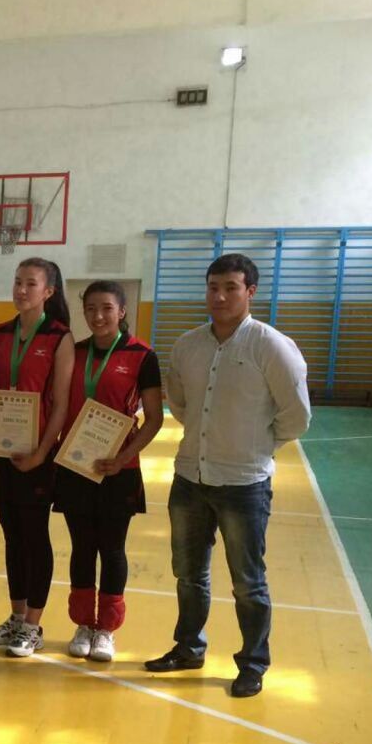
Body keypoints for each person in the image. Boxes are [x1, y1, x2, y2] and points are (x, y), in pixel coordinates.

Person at [145, 253, 310, 698]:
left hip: (245, 485)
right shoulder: (187, 346)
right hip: (189, 478)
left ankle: (253, 663)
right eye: (213, 287)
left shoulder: (271, 346)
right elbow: (181, 405)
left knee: (247, 582)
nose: (219, 296)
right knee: (188, 574)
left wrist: (255, 447)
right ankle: (188, 648)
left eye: (230, 288)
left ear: (250, 291)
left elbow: (296, 417)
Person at [53, 281, 163, 663]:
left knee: (112, 549)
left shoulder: (142, 355)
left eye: (106, 308)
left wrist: (123, 456)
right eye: (90, 309)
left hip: (119, 470)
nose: (98, 316)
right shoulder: (73, 352)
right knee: (82, 547)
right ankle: (84, 623)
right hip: (75, 466)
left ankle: (107, 630)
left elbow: (154, 419)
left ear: (122, 311)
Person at [0, 258, 75, 658]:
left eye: (31, 284)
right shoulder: (0, 333)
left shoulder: (59, 337)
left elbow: (60, 403)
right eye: (18, 282)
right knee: (12, 537)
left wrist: (41, 453)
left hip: (38, 454)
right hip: (2, 452)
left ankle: (33, 625)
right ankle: (16, 616)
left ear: (48, 291)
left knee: (35, 537)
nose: (21, 290)